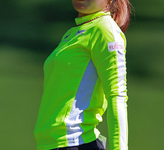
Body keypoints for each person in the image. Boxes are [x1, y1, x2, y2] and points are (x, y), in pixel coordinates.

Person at [34, 0, 131, 149]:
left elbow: (117, 95)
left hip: (76, 143)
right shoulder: (72, 33)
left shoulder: (105, 29)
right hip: (51, 144)